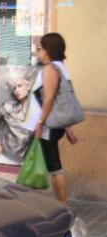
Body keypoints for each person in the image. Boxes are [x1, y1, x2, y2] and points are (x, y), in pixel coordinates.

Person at [30, 32, 79, 203]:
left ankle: (62, 207)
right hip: (51, 125)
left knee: (54, 167)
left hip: (47, 126)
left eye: (40, 48)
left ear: (48, 50)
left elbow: (50, 98)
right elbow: (61, 101)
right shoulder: (61, 67)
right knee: (37, 162)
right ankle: (34, 201)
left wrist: (40, 123)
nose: (39, 53)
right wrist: (68, 128)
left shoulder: (51, 68)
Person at [0, 76, 33, 165]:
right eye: (15, 88)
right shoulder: (9, 107)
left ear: (29, 86)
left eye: (19, 86)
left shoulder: (37, 111)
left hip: (25, 161)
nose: (16, 90)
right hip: (4, 157)